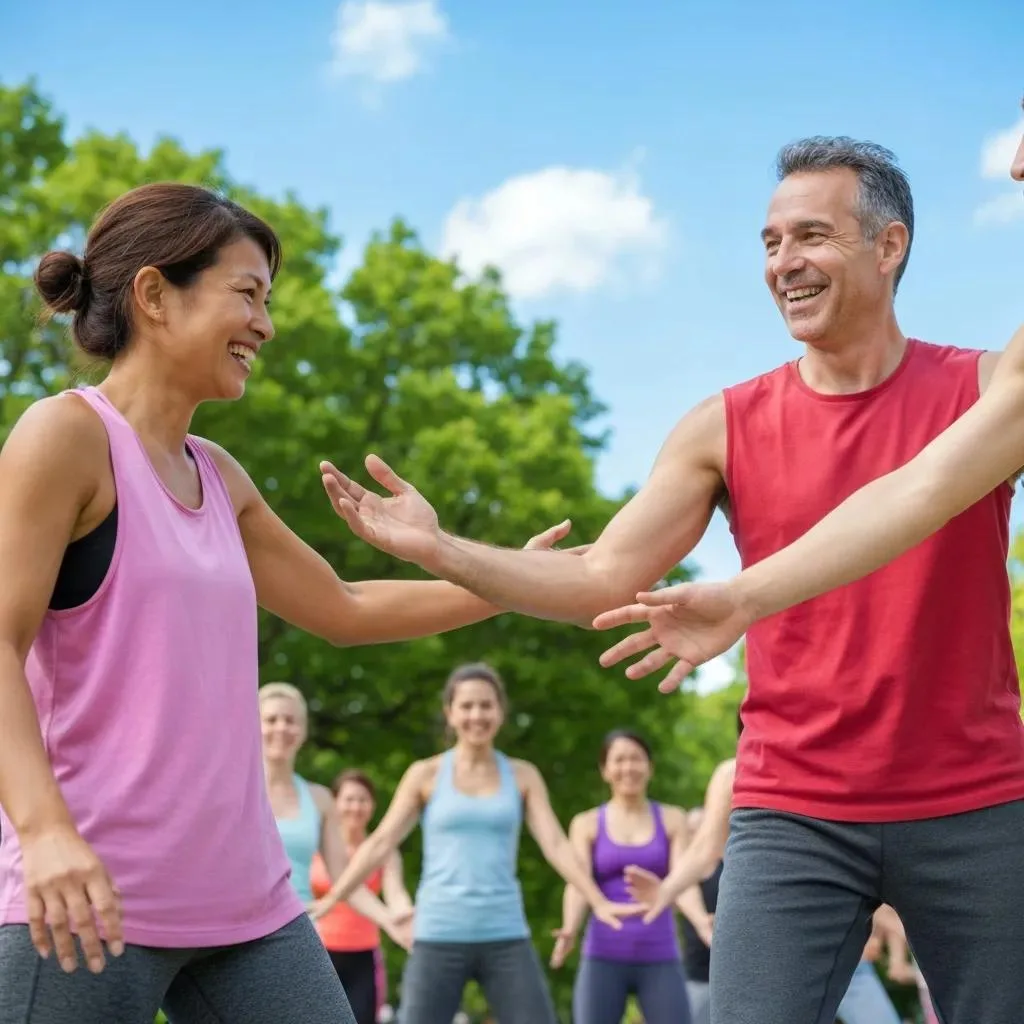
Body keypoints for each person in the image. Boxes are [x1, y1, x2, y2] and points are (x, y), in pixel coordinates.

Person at [317, 103, 1024, 1024]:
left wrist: (736, 597)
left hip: (976, 801)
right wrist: (445, 550)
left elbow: (921, 488)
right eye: (770, 241)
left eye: (812, 235)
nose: (783, 262)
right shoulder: (721, 426)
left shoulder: (980, 392)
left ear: (890, 246)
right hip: (794, 807)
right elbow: (605, 574)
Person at [0, 182, 581, 1024]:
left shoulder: (220, 476)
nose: (265, 326)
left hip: (245, 905)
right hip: (88, 896)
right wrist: (45, 829)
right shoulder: (64, 438)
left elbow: (343, 606)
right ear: (155, 294)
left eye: (265, 302)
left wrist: (500, 576)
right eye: (247, 295)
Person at [311, 662, 637, 1024]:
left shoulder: (522, 775)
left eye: (486, 705)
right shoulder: (426, 774)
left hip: (505, 932)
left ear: (500, 712)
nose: (476, 715)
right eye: (466, 706)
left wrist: (598, 901)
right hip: (438, 933)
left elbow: (556, 845)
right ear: (450, 713)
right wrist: (335, 896)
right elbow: (382, 840)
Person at [550, 729, 692, 1024]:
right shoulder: (586, 823)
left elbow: (683, 882)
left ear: (649, 767)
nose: (628, 767)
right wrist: (569, 928)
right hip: (603, 954)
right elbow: (578, 884)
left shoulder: (672, 819)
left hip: (660, 953)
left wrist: (701, 920)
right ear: (605, 770)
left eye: (636, 759)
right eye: (619, 760)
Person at [259, 684, 412, 953]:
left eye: (290, 720)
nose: (281, 728)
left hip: (298, 928)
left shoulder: (319, 799)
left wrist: (390, 920)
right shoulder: (232, 790)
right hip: (240, 929)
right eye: (271, 719)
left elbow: (344, 879)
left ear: (303, 731)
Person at [309, 766, 413, 1024]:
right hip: (319, 954)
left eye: (363, 800)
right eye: (349, 799)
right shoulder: (315, 846)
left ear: (373, 805)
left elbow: (395, 892)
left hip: (364, 958)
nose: (356, 807)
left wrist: (404, 916)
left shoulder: (383, 853)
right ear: (334, 803)